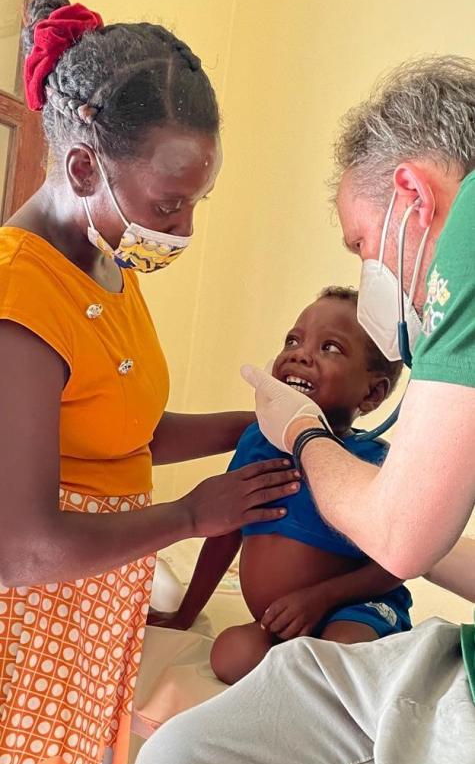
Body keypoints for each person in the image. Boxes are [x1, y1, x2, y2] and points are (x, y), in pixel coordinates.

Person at [79, 58, 475, 764]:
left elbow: (397, 538)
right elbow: (413, 529)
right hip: (454, 660)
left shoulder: (469, 240)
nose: (372, 278)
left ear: (412, 198)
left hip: (392, 643)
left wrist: (303, 436)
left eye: (361, 246)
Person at [0, 0, 301, 764]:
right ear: (84, 166)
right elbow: (22, 547)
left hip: (91, 630)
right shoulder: (18, 293)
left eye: (195, 202)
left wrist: (257, 426)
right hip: (30, 640)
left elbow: (123, 430)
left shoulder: (103, 263)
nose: (184, 227)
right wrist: (191, 517)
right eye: (170, 203)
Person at [157, 286, 412, 684]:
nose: (299, 354)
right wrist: (186, 614)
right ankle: (293, 668)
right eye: (293, 340)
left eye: (330, 348)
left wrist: (321, 598)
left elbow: (398, 563)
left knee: (341, 652)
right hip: (278, 623)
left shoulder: (373, 462)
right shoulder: (256, 443)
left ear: (372, 392)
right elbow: (224, 533)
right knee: (229, 657)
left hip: (354, 609)